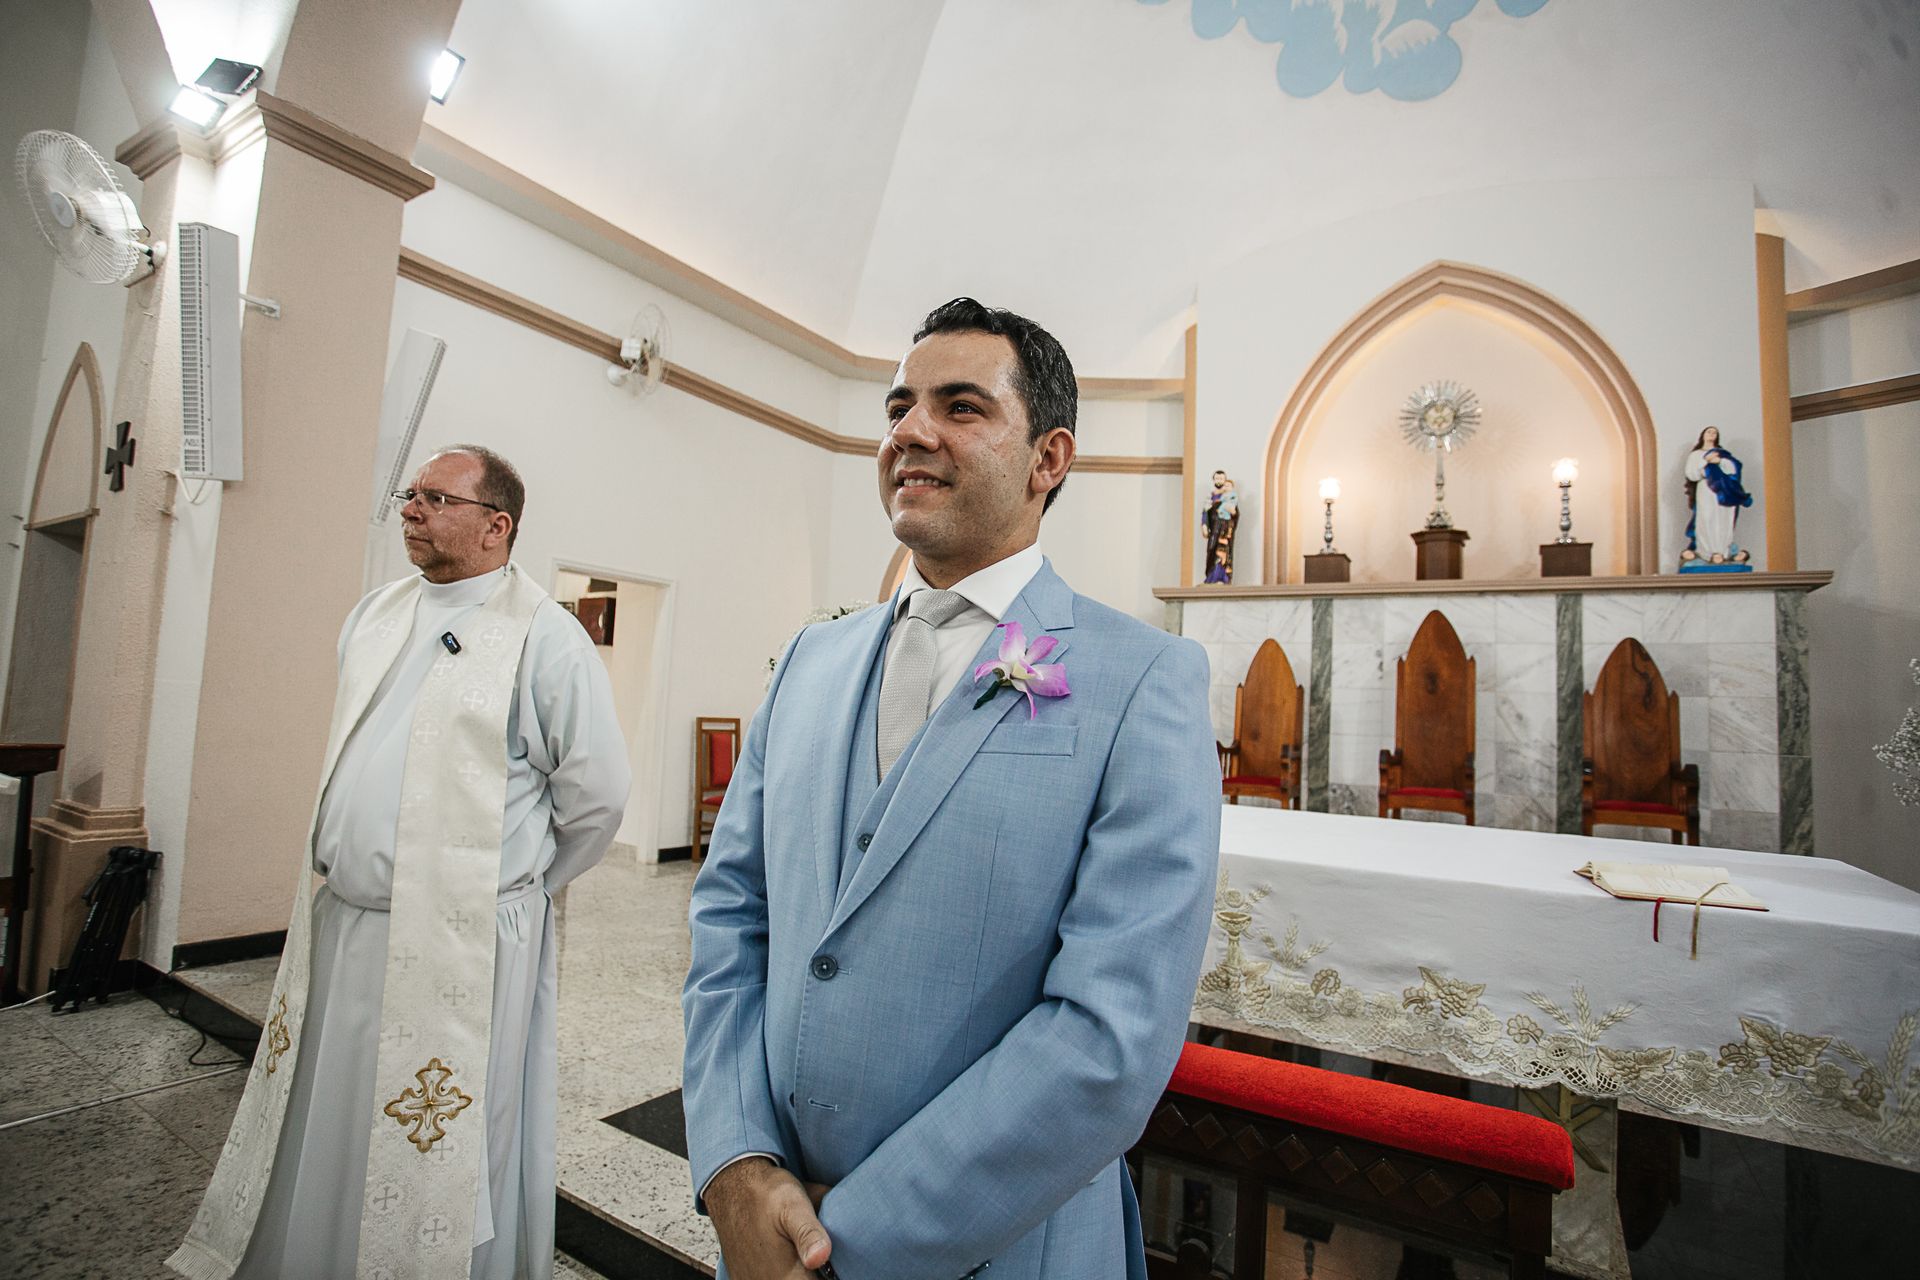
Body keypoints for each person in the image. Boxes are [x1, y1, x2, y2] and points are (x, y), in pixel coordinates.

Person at [682, 298, 1221, 1280]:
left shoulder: (1141, 679)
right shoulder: (812, 657)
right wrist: (736, 1165)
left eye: (961, 406)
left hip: (1000, 1244)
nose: (910, 432)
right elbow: (730, 919)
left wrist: (847, 1243)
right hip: (766, 1224)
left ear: (1049, 458)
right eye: (899, 405)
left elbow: (1110, 1033)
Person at [170, 445, 630, 1280]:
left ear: (498, 526)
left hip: (463, 938)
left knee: (445, 1130)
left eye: (435, 497)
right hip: (343, 924)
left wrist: (515, 887)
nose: (411, 509)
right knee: (334, 1115)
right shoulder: (376, 613)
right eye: (409, 495)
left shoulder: (546, 637)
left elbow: (597, 797)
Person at [1681, 425, 1752, 564]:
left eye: (1714, 432)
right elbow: (1691, 474)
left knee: (1723, 519)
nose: (1711, 434)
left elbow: (1734, 468)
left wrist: (1719, 461)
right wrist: (1706, 461)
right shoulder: (1696, 455)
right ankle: (1705, 551)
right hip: (1706, 489)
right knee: (1706, 517)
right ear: (1703, 435)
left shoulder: (1722, 454)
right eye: (1709, 431)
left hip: (1723, 491)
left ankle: (1723, 551)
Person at [1202, 470, 1239, 584]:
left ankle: (1222, 577)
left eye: (1222, 479)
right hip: (1214, 529)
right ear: (1214, 480)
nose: (1219, 481)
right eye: (1217, 479)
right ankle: (1211, 576)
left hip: (1225, 528)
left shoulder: (1229, 496)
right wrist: (1204, 525)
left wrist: (1233, 513)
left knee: (1223, 551)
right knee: (1212, 549)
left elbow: (1235, 513)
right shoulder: (1211, 497)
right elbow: (1205, 513)